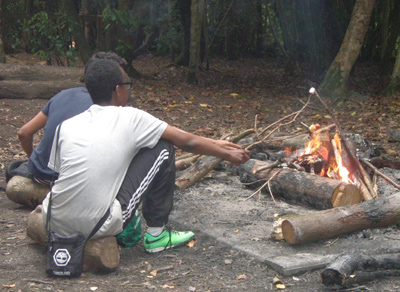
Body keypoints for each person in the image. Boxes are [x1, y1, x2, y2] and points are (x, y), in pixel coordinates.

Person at [42, 58, 250, 253]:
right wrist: (227, 154)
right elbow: (184, 141)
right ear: (117, 89)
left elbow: (65, 174)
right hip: (97, 224)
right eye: (126, 84)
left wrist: (216, 143)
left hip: (52, 220)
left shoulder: (67, 126)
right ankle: (157, 234)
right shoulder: (130, 117)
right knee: (162, 146)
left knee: (146, 143)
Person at [6, 52, 128, 187]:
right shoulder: (112, 109)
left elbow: (24, 133)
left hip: (40, 176)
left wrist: (36, 163)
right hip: (75, 183)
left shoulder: (63, 95)